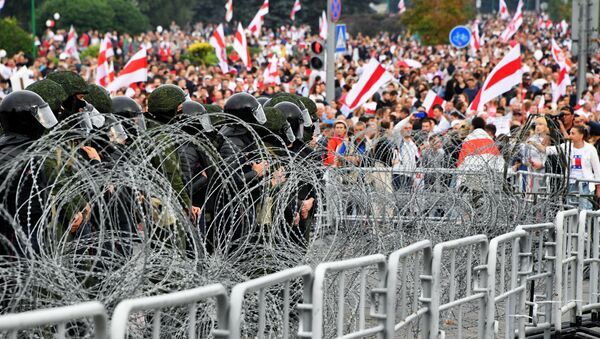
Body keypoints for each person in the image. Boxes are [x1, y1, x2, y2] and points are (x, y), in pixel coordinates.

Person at [0, 90, 59, 256]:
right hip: (20, 233)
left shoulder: (22, 149)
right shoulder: (16, 155)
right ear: (25, 120)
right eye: (38, 115)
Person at [530, 125, 600, 210]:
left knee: (585, 210)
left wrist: (598, 187)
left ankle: (584, 223)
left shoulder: (590, 149)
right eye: (570, 133)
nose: (570, 136)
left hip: (586, 184)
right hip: (571, 183)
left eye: (573, 133)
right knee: (571, 209)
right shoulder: (566, 146)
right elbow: (547, 150)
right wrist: (534, 144)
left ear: (581, 136)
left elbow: (597, 169)